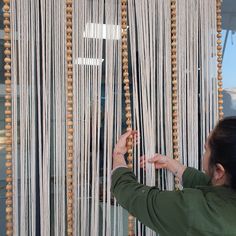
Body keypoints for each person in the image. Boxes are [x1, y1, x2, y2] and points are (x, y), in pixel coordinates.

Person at [111, 116, 236, 236]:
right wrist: (171, 165)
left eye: (206, 149)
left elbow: (134, 196)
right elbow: (212, 187)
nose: (204, 153)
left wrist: (118, 154)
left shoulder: (195, 214)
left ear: (219, 171)